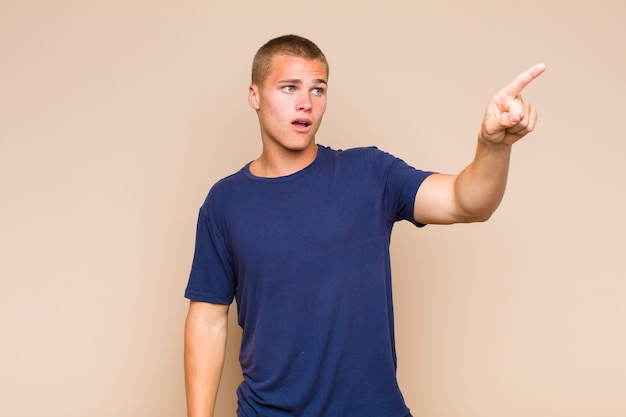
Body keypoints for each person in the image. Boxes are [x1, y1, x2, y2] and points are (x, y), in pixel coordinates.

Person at [184, 34, 545, 417]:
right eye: (289, 88)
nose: (305, 102)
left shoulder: (369, 173)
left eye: (317, 89)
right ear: (255, 96)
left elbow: (465, 202)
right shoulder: (225, 202)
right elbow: (207, 322)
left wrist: (493, 146)